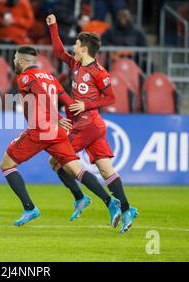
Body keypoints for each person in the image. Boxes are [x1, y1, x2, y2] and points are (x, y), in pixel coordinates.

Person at [0, 46, 122, 227]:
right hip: (56, 133)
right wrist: (73, 117)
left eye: (15, 59)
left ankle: (29, 208)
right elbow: (66, 99)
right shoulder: (49, 77)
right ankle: (110, 202)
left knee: (7, 165)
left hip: (40, 130)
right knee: (76, 170)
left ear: (21, 60)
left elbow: (41, 97)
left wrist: (57, 118)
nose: (14, 62)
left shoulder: (24, 77)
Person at [47, 14, 138, 233]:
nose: (73, 47)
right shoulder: (76, 64)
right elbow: (59, 52)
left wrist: (85, 106)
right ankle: (127, 209)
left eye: (76, 44)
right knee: (106, 170)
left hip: (87, 124)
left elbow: (111, 98)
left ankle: (87, 199)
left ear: (85, 49)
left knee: (56, 161)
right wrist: (53, 26)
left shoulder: (99, 73)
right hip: (93, 126)